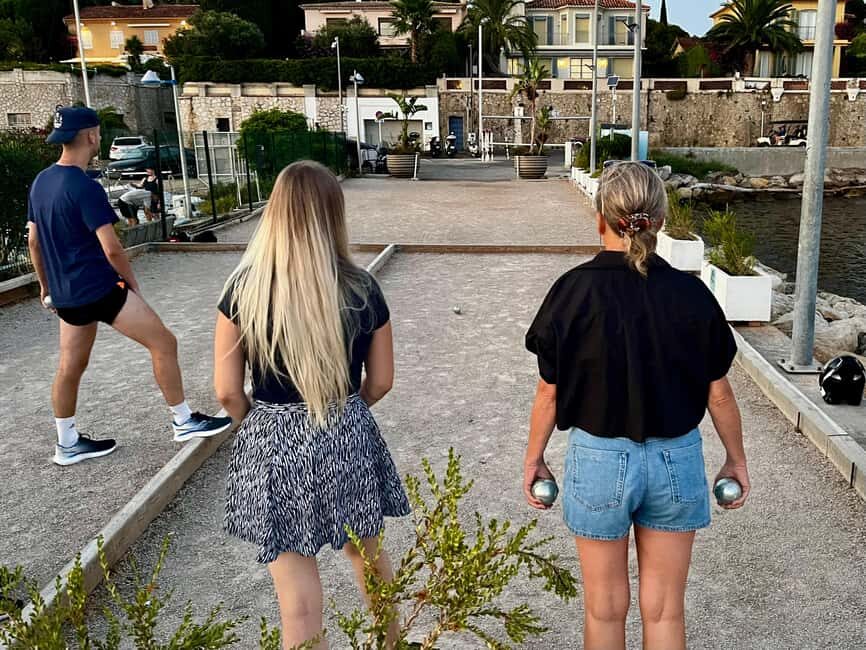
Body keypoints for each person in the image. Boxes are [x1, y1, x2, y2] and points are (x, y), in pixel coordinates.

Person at [522, 161, 750, 650]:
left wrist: (534, 458)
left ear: (600, 218)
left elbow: (549, 392)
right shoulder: (692, 294)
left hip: (599, 460)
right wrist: (736, 459)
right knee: (665, 610)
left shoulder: (572, 292)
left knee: (603, 609)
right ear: (661, 222)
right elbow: (719, 393)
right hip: (676, 458)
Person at [213, 160, 409, 650]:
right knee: (366, 554)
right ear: (333, 214)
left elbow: (227, 392)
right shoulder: (362, 288)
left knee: (297, 604)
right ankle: (391, 643)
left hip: (274, 440)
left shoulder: (243, 290)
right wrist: (349, 409)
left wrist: (258, 426)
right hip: (342, 424)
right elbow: (381, 381)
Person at [27, 106, 233, 466]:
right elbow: (112, 248)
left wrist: (46, 289)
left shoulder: (41, 182)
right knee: (164, 342)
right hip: (102, 289)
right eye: (98, 132)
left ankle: (66, 443)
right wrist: (132, 287)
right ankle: (183, 420)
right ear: (90, 136)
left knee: (70, 366)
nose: (99, 138)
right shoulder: (85, 187)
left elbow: (34, 242)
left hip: (67, 296)